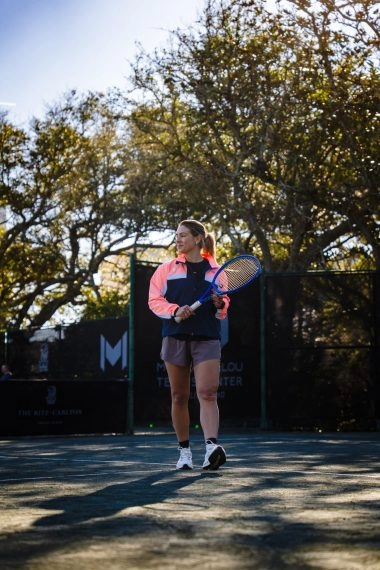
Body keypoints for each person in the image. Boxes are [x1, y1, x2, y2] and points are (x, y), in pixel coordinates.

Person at [149, 219, 229, 470]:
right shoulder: (165, 270)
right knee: (179, 396)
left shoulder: (217, 271)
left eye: (183, 235)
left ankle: (211, 448)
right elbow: (153, 300)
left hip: (207, 337)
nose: (178, 240)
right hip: (174, 335)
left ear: (197, 239)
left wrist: (220, 305)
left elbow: (223, 308)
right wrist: (174, 311)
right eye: (176, 236)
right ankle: (184, 453)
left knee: (207, 392)